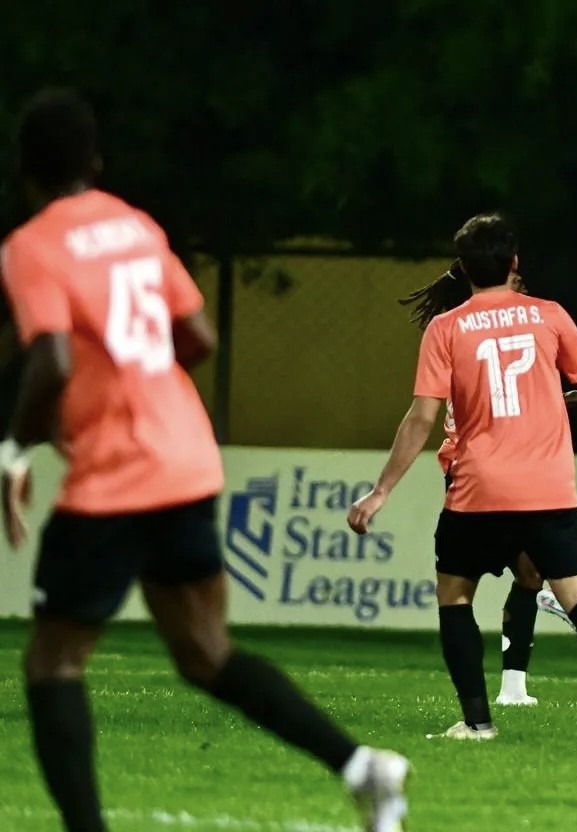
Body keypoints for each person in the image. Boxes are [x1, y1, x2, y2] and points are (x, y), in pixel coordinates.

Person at [0, 88, 408, 832]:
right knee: (204, 653)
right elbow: (199, 337)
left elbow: (51, 361)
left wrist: (15, 448)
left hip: (114, 480)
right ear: (95, 160)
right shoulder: (136, 226)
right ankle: (364, 769)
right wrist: (146, 383)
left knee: (53, 663)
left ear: (23, 169)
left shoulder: (31, 246)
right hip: (186, 465)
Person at [348, 213, 577, 744]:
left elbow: (422, 417)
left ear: (462, 268)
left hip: (478, 490)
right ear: (514, 264)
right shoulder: (550, 316)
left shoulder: (446, 328)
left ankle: (477, 721)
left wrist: (381, 490)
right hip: (547, 489)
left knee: (455, 597)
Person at [398, 263, 577, 706]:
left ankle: (509, 690)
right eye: (517, 280)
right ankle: (511, 691)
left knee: (559, 562)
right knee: (506, 581)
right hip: (482, 478)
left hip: (503, 476)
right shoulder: (483, 333)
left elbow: (546, 382)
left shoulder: (466, 333)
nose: (523, 286)